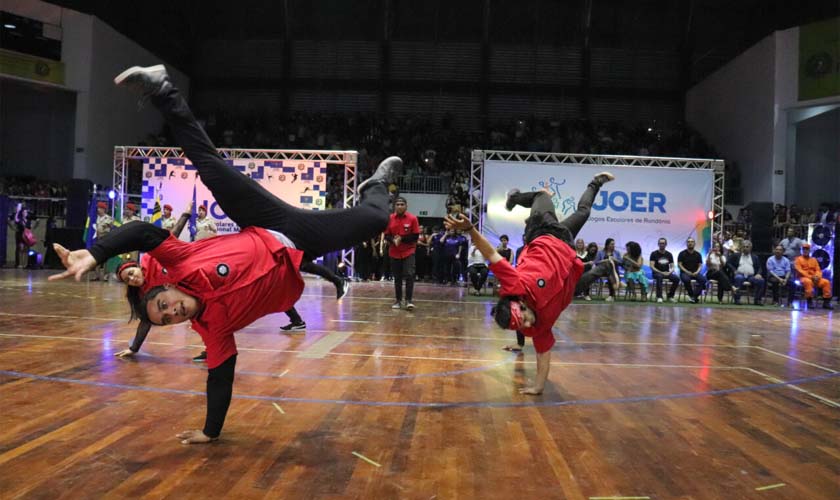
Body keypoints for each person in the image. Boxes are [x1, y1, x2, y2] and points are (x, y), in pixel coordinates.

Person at [50, 64, 397, 444]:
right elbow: (221, 375)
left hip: (265, 221)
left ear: (167, 288)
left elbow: (142, 232)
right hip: (300, 244)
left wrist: (95, 254)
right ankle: (376, 185)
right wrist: (210, 432)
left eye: (164, 305)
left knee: (210, 167)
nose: (172, 312)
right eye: (167, 320)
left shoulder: (180, 263)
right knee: (377, 218)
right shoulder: (213, 329)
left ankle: (161, 88)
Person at [448, 171, 615, 395]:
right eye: (523, 325)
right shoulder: (537, 328)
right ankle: (604, 267)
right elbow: (543, 354)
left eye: (524, 319)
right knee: (584, 214)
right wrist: (538, 387)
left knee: (541, 196)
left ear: (521, 304)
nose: (528, 325)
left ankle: (515, 198)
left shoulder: (515, 284)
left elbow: (490, 254)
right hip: (566, 258)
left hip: (543, 232)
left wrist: (470, 230)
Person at [385, 196, 420, 310]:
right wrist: (393, 240)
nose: (400, 206)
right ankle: (398, 300)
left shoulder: (413, 218)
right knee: (397, 277)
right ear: (394, 206)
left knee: (409, 274)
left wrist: (402, 239)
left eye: (402, 204)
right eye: (397, 204)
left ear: (406, 206)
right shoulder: (389, 218)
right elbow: (386, 235)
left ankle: (409, 300)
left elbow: (415, 236)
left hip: (408, 251)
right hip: (394, 252)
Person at [794, 243, 833, 309]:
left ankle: (826, 302)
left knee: (826, 282)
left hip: (815, 278)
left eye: (807, 249)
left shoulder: (814, 260)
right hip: (803, 278)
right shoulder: (798, 259)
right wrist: (811, 277)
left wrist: (817, 277)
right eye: (804, 249)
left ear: (809, 250)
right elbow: (800, 271)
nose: (805, 251)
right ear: (802, 250)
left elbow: (818, 270)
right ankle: (809, 301)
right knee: (808, 282)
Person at [726, 240, 766, 305]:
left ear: (750, 248)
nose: (745, 248)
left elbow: (759, 268)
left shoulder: (755, 257)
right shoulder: (736, 255)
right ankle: (737, 299)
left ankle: (757, 300)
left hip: (751, 276)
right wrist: (734, 270)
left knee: (761, 281)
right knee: (738, 278)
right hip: (740, 274)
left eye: (747, 247)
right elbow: (728, 263)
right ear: (741, 247)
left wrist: (758, 274)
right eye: (744, 246)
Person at [649, 238, 680, 303]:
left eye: (663, 243)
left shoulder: (669, 254)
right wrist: (661, 272)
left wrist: (670, 272)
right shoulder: (654, 254)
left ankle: (670, 296)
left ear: (666, 244)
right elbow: (652, 266)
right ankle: (659, 297)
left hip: (667, 273)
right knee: (659, 276)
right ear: (658, 244)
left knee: (677, 279)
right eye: (660, 243)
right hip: (657, 273)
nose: (662, 245)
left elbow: (672, 266)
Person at [677, 237, 706, 304]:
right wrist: (687, 272)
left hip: (695, 273)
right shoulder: (682, 253)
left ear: (694, 243)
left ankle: (694, 297)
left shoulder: (698, 254)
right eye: (688, 242)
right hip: (685, 273)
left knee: (703, 280)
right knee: (686, 279)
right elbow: (679, 265)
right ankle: (692, 295)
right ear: (686, 244)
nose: (690, 243)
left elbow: (700, 265)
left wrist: (697, 272)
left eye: (692, 242)